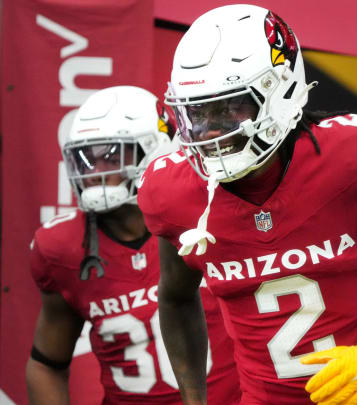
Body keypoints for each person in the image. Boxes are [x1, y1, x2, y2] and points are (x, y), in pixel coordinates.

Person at [136, 4, 357, 405]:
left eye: (231, 107)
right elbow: (175, 296)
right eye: (198, 113)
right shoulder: (175, 192)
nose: (212, 132)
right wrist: (194, 400)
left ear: (282, 89)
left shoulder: (347, 159)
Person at [26, 86, 241, 404]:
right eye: (85, 160)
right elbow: (47, 364)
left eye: (111, 155)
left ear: (154, 149)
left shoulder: (207, 213)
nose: (94, 172)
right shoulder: (62, 248)